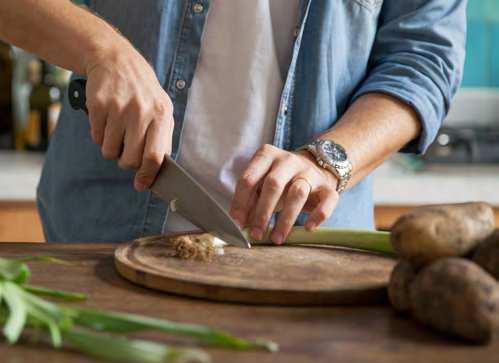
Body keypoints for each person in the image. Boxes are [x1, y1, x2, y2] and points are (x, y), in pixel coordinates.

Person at [0, 0, 466, 244]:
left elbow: (424, 59)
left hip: (311, 252)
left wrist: (328, 161)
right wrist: (104, 49)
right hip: (102, 239)